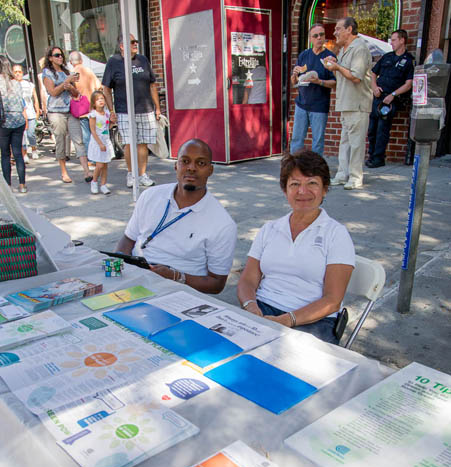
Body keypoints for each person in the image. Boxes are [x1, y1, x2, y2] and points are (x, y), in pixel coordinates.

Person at [237, 150, 355, 345]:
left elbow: (332, 300)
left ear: (325, 189)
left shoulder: (336, 234)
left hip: (314, 320)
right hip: (263, 308)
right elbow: (248, 280)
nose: (302, 191)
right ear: (285, 190)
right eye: (295, 184)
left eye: (312, 183)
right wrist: (250, 306)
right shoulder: (270, 229)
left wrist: (287, 320)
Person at [115, 138, 237, 294]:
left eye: (200, 163)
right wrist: (120, 264)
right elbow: (128, 239)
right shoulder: (150, 196)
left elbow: (216, 284)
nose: (191, 168)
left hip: (179, 291)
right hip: (135, 277)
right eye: (185, 161)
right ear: (176, 166)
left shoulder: (222, 223)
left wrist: (176, 277)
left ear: (210, 170)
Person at [102, 33, 161, 188]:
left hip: (145, 109)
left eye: (136, 41)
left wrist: (157, 108)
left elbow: (152, 85)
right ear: (122, 46)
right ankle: (131, 174)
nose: (136, 44)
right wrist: (111, 110)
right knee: (129, 143)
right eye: (132, 42)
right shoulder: (114, 62)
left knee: (143, 143)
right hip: (124, 110)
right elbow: (106, 89)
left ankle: (142, 174)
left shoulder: (143, 60)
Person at [324, 17, 372, 189]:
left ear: (349, 29)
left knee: (356, 143)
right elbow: (342, 77)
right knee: (345, 142)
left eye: (338, 29)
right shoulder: (344, 50)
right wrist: (334, 66)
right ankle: (342, 174)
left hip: (357, 103)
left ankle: (355, 177)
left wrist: (337, 67)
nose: (335, 32)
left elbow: (356, 77)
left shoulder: (360, 49)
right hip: (346, 103)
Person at [42, 46, 92, 184]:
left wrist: (71, 87)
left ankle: (86, 171)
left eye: (61, 55)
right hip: (56, 111)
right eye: (56, 55)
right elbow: (52, 92)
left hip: (70, 110)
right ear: (50, 58)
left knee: (78, 140)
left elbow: (76, 93)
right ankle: (64, 172)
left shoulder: (66, 72)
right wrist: (66, 82)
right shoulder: (47, 73)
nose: (60, 57)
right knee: (61, 141)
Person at [366, 29, 414, 168]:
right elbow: (373, 73)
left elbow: (408, 84)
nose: (391, 43)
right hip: (378, 97)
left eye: (393, 40)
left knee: (382, 129)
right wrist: (374, 87)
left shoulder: (408, 61)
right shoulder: (387, 57)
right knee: (372, 129)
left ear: (402, 40)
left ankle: (378, 158)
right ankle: (371, 155)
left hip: (390, 100)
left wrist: (392, 95)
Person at [290, 23, 336, 155]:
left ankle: (316, 167)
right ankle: (295, 165)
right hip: (302, 103)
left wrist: (319, 81)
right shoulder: (304, 55)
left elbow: (334, 83)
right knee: (297, 139)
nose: (319, 38)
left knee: (318, 142)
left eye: (321, 35)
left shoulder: (329, 57)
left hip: (319, 105)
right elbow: (294, 82)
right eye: (315, 36)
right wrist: (294, 75)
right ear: (310, 38)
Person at [0, 56, 27, 193]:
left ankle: (8, 186)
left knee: (5, 154)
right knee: (18, 153)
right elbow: (21, 102)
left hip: (4, 121)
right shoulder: (16, 82)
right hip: (18, 119)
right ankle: (22, 184)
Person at [69, 50, 101, 151]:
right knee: (96, 133)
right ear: (81, 60)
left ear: (71, 62)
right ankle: (98, 155)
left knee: (86, 136)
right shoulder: (88, 71)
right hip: (93, 108)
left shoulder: (72, 75)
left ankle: (90, 156)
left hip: (81, 110)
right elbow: (99, 87)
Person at [88, 90, 114, 195]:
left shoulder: (107, 113)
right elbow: (93, 131)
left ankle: (103, 184)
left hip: (106, 140)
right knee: (99, 165)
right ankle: (94, 181)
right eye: (98, 99)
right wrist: (100, 144)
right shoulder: (93, 115)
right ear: (94, 103)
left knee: (105, 165)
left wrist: (112, 122)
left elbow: (107, 127)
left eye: (102, 98)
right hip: (97, 142)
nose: (100, 101)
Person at [12, 64, 40, 161]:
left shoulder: (29, 85)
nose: (17, 74)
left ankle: (34, 148)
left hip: (30, 113)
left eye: (19, 72)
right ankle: (24, 154)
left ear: (22, 73)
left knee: (31, 133)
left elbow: (35, 98)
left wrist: (37, 111)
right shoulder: (11, 85)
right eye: (15, 72)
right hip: (18, 114)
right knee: (22, 135)